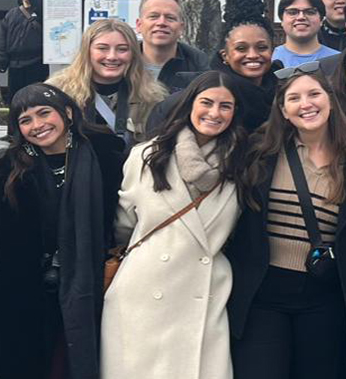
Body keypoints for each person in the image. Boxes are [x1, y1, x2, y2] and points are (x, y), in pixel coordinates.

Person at [227, 72, 346, 379]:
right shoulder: (259, 153)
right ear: (283, 110)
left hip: (325, 296)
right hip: (263, 294)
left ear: (331, 101)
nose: (306, 104)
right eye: (294, 98)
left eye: (314, 94)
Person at [0, 84, 128, 379]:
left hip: (91, 291)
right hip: (24, 299)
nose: (37, 125)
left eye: (44, 113)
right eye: (25, 119)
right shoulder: (9, 169)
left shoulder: (107, 159)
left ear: (67, 112)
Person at [103, 72, 248, 379]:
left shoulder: (243, 163)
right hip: (143, 287)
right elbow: (124, 223)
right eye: (206, 103)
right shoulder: (146, 155)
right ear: (189, 105)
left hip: (206, 289)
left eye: (226, 106)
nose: (214, 113)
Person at [150, 0, 281, 135]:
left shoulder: (281, 89)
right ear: (225, 55)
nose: (252, 55)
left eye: (262, 47)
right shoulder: (208, 89)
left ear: (272, 49)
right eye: (241, 48)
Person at [48, 18, 168, 143]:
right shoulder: (56, 92)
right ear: (87, 51)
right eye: (102, 48)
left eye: (122, 49)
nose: (112, 57)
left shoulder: (152, 97)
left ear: (133, 54)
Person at [138, 0, 215, 88]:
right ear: (139, 25)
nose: (161, 22)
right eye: (153, 16)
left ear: (181, 28)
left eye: (170, 18)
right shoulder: (124, 60)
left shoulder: (198, 64)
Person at [0, 0, 46, 105]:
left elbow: (43, 10)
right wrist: (1, 60)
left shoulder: (44, 10)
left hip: (37, 62)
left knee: (36, 99)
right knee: (16, 100)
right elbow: (3, 38)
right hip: (15, 64)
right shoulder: (12, 13)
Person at [275, 0, 341, 68]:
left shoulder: (339, 60)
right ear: (282, 20)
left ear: (321, 20)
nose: (301, 17)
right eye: (293, 12)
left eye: (310, 12)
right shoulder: (270, 58)